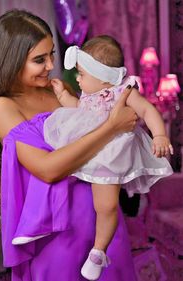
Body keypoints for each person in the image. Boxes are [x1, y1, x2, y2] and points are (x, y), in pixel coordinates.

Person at [0, 9, 138, 281]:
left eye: (52, 54)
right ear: (12, 60)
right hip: (55, 228)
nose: (51, 65)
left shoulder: (57, 93)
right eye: (39, 60)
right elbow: (47, 169)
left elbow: (101, 137)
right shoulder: (2, 106)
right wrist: (111, 126)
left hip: (101, 219)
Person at [43, 36, 173, 280]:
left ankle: (98, 251)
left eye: (81, 74)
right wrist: (63, 97)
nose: (78, 79)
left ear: (102, 76)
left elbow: (147, 109)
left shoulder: (123, 91)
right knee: (93, 205)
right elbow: (77, 110)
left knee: (106, 206)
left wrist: (159, 135)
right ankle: (96, 249)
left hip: (112, 154)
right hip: (91, 150)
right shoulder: (88, 95)